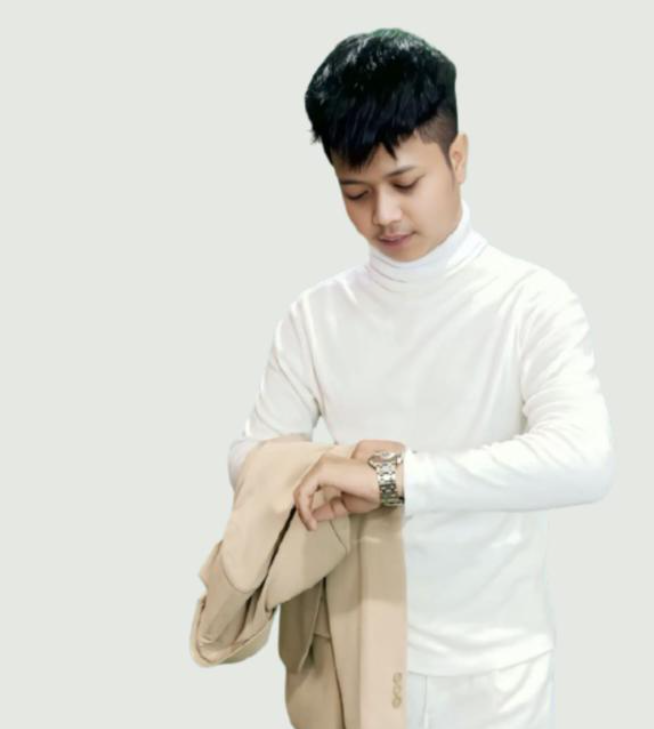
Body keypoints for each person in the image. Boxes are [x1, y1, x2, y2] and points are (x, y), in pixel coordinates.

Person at [228, 27, 616, 729]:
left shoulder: (532, 302)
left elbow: (583, 460)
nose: (383, 215)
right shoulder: (315, 316)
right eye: (354, 192)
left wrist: (390, 477)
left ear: (457, 158)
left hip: (495, 670)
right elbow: (250, 456)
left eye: (405, 183)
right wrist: (332, 467)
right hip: (351, 654)